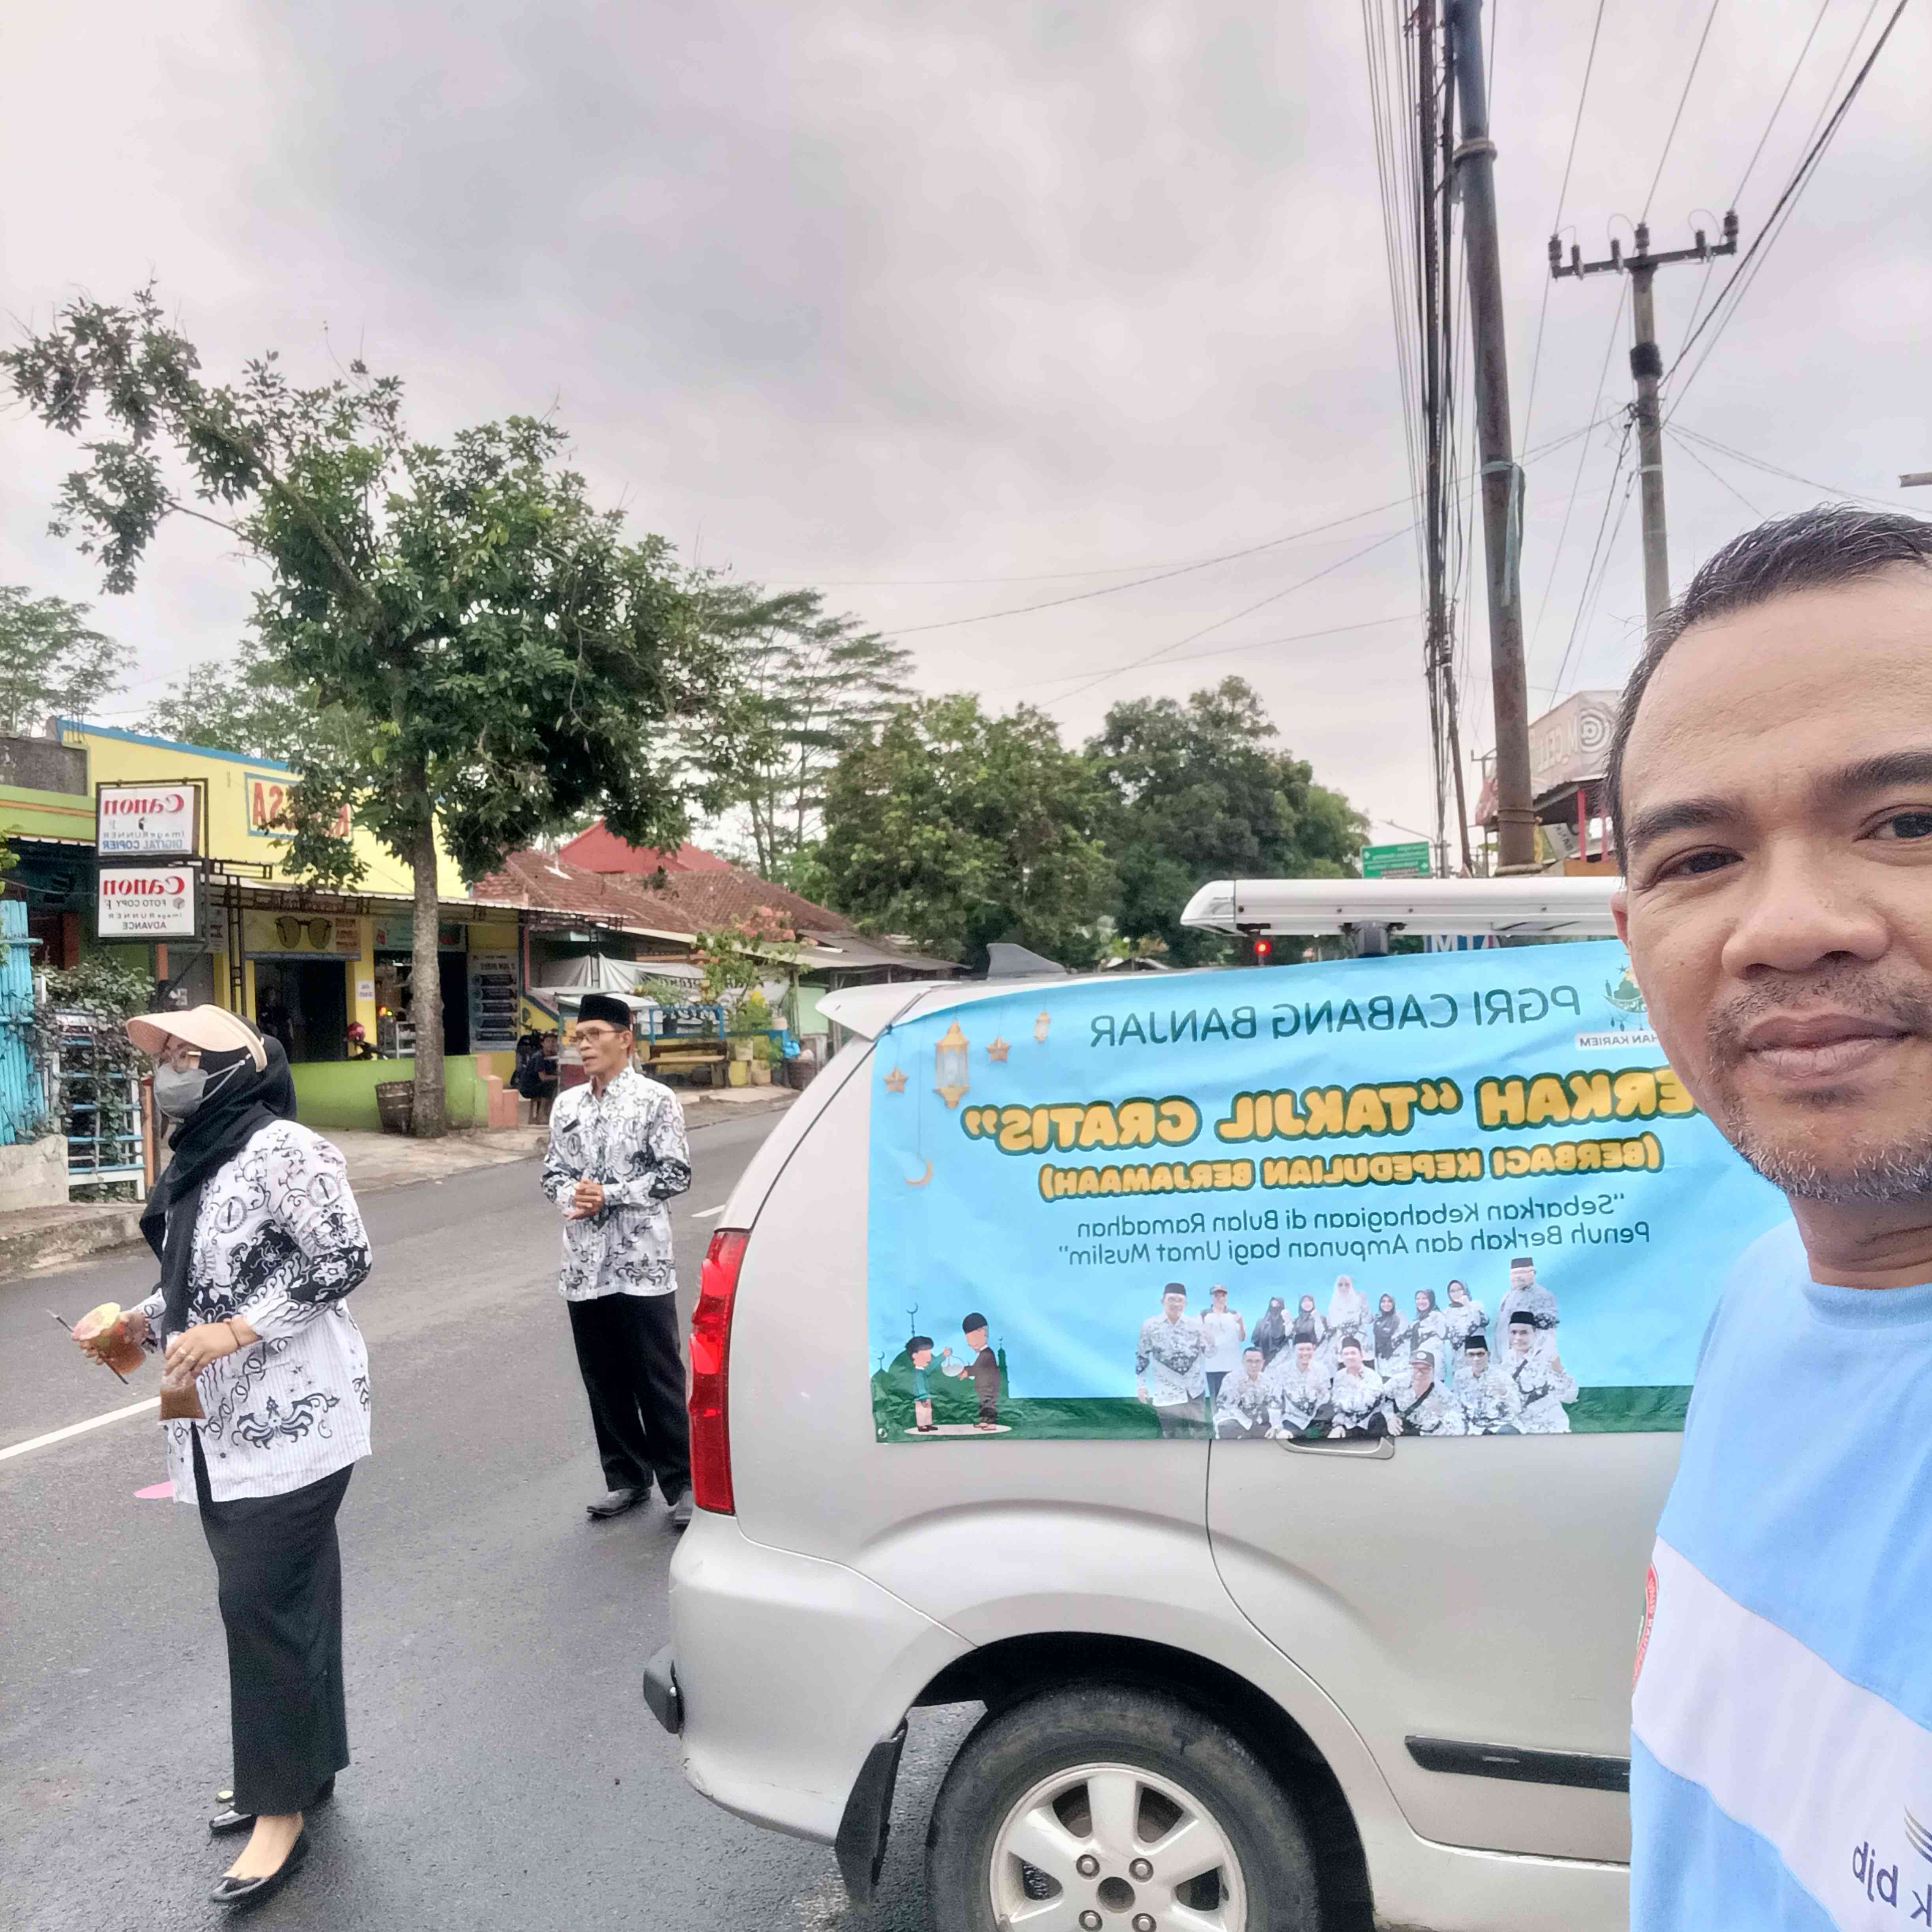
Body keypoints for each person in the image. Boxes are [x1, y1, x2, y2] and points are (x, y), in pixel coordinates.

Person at [1604, 507, 1932, 1928]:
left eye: (1910, 821)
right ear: (1633, 942)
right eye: (1698, 858)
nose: (1788, 924)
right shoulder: (1760, 1297)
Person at [75, 1006, 372, 1910]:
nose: (168, 1070)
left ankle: (278, 1805)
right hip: (209, 1426)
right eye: (161, 1057)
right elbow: (197, 1285)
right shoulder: (199, 1158)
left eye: (184, 1055)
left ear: (241, 1066)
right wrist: (136, 1322)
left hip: (294, 1419)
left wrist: (240, 1329)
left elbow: (346, 1257)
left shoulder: (289, 1149)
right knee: (287, 1597)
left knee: (258, 1602)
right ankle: (305, 1765)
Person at [541, 992, 694, 1526]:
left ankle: (683, 1483)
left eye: (593, 1036)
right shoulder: (568, 1106)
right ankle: (627, 1477)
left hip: (643, 1261)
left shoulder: (656, 1100)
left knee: (656, 1373)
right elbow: (552, 1174)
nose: (582, 1046)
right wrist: (573, 1197)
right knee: (603, 1376)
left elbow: (676, 1174)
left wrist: (611, 1194)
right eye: (577, 1037)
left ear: (624, 1040)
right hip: (585, 1265)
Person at [1134, 1284, 1209, 1438]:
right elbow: (1142, 1356)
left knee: (1199, 1438)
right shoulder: (1150, 1326)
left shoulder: (1195, 1325)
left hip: (1194, 1392)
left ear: (1186, 1303)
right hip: (1167, 1393)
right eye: (1172, 1300)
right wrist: (1141, 1386)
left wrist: (1212, 1340)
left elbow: (1209, 1353)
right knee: (1172, 1440)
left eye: (1180, 1300)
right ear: (1163, 1300)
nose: (1176, 1304)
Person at [1503, 1311, 1577, 1434]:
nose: (1518, 1338)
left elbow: (1570, 1397)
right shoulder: (1508, 1359)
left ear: (1535, 1333)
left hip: (1549, 1427)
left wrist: (1559, 1372)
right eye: (1514, 1333)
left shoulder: (1547, 1358)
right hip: (1522, 1428)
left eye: (1524, 1333)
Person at [1383, 1351, 1466, 1437]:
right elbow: (1380, 1398)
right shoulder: (1398, 1381)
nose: (1419, 1374)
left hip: (1426, 1437)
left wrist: (1441, 1412)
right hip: (1399, 1430)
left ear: (1433, 1372)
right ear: (1409, 1369)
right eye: (1415, 1368)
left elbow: (1460, 1430)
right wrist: (1390, 1418)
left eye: (1425, 1369)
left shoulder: (1442, 1393)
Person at [1451, 1334, 1521, 1436]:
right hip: (1473, 1428)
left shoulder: (1502, 1376)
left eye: (1480, 1354)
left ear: (1488, 1355)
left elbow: (1517, 1408)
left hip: (1499, 1426)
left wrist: (1504, 1393)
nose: (1476, 1359)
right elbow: (1456, 1405)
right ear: (1466, 1357)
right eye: (1471, 1355)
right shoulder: (1460, 1377)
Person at [941, 1314, 1001, 1429]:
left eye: (973, 1340)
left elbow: (978, 1368)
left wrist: (967, 1372)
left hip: (989, 1388)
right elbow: (976, 1367)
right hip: (982, 1387)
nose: (970, 1344)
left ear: (982, 1332)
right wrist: (965, 1370)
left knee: (989, 1405)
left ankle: (992, 1423)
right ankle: (984, 1422)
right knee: (983, 1404)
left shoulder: (988, 1354)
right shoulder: (983, 1354)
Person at [1263, 1336, 1331, 1438]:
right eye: (1301, 1350)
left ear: (1314, 1350)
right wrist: (1277, 1426)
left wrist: (1319, 1389)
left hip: (1317, 1419)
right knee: (1283, 1437)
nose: (1305, 1353)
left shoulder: (1322, 1370)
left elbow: (1327, 1401)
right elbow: (1276, 1400)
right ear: (1294, 1350)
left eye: (1309, 1350)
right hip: (1292, 1419)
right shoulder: (1282, 1370)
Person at [1494, 1256, 1559, 1362]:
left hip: (1530, 1361)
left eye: (1523, 1273)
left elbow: (1546, 1335)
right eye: (1514, 1274)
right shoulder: (1507, 1296)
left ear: (1534, 1273)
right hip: (1506, 1357)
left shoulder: (1542, 1296)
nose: (1518, 1277)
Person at [1325, 1336, 1385, 1438]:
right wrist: (1338, 1425)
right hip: (1347, 1424)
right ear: (1342, 1358)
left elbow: (1369, 1404)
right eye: (1346, 1354)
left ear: (1361, 1356)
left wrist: (1356, 1385)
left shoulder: (1373, 1377)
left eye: (1353, 1353)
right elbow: (1337, 1406)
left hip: (1370, 1425)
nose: (1350, 1357)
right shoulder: (1339, 1377)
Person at [1198, 1283, 1246, 1401]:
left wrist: (1240, 1323)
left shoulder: (1235, 1314)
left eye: (1223, 1295)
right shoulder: (1204, 1314)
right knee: (1216, 1399)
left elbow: (1242, 1338)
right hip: (1213, 1366)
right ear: (1212, 1297)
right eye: (1217, 1296)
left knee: (1234, 1399)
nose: (1220, 1298)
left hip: (1233, 1365)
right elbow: (1200, 1336)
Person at [1213, 1345, 1272, 1439]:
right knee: (1228, 1426)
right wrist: (1238, 1393)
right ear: (1243, 1362)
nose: (1254, 1365)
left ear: (1263, 1363)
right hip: (1236, 1419)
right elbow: (1222, 1404)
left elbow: (1273, 1404)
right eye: (1250, 1361)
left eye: (1258, 1362)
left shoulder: (1267, 1381)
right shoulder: (1231, 1379)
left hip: (1258, 1421)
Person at [1439, 1277, 1487, 1358]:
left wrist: (1468, 1305)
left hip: (1476, 1353)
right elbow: (1443, 1335)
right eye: (1452, 1291)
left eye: (1459, 1290)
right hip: (1457, 1357)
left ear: (1465, 1289)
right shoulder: (1446, 1312)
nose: (1456, 1293)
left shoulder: (1476, 1305)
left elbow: (1481, 1321)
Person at [906, 1335, 938, 1434]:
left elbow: (932, 1367)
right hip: (921, 1397)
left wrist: (944, 1356)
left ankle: (928, 1424)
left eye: (929, 1353)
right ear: (915, 1356)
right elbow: (920, 1386)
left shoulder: (924, 1371)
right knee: (922, 1411)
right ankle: (921, 1426)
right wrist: (923, 1397)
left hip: (926, 1395)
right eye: (925, 1353)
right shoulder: (918, 1374)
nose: (929, 1356)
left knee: (928, 1411)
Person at [1370, 1293, 1405, 1379]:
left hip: (1396, 1360)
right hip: (1380, 1360)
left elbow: (1402, 1336)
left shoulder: (1399, 1318)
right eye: (1383, 1301)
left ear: (1393, 1304)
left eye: (1390, 1301)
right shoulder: (1377, 1320)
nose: (1386, 1304)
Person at [1250, 1294, 1291, 1365]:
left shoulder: (1287, 1323)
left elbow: (1290, 1341)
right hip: (1263, 1361)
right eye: (1272, 1305)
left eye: (1277, 1305)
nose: (1274, 1307)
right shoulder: (1261, 1322)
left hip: (1283, 1360)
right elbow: (1255, 1341)